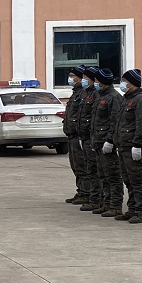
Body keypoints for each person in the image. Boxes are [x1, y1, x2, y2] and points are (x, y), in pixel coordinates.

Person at [113, 69, 142, 224]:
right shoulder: (127, 98)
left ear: (132, 83)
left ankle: (140, 212)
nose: (122, 83)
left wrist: (138, 144)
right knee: (128, 180)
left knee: (138, 180)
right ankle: (132, 209)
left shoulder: (141, 99)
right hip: (124, 146)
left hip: (133, 146)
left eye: (124, 81)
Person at [90, 68, 125, 218]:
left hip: (107, 143)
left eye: (97, 81)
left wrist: (110, 140)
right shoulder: (99, 95)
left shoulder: (114, 97)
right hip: (98, 141)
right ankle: (106, 203)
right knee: (103, 175)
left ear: (103, 82)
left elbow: (115, 121)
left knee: (113, 176)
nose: (95, 83)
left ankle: (115, 206)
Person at [75, 68, 100, 211]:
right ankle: (87, 195)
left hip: (93, 138)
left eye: (86, 78)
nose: (83, 80)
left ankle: (96, 199)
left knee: (95, 171)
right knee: (84, 168)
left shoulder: (97, 94)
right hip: (84, 137)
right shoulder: (85, 93)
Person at [62, 67, 87, 204]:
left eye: (73, 75)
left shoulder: (83, 93)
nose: (70, 78)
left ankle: (86, 193)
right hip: (72, 135)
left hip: (78, 135)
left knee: (82, 166)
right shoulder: (76, 92)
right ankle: (81, 191)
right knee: (76, 166)